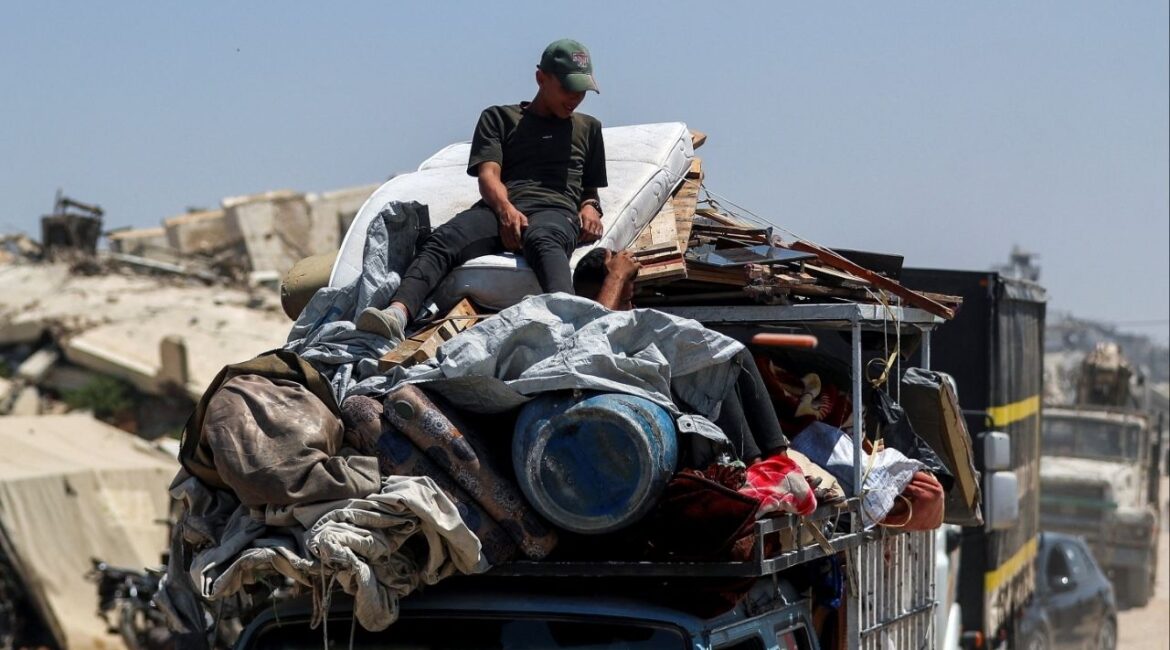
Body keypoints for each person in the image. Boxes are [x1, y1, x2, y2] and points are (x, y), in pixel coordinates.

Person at [357, 38, 608, 341]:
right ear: (541, 78)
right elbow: (488, 175)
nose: (576, 98)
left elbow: (589, 188)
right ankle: (397, 314)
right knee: (444, 238)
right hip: (500, 206)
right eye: (568, 88)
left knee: (546, 241)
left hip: (555, 212)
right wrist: (505, 211)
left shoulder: (589, 128)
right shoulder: (499, 118)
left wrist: (590, 207)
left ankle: (575, 329)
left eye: (582, 90)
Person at [572, 248, 790, 464]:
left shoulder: (630, 327)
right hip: (646, 417)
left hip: (671, 404)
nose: (631, 309)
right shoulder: (574, 330)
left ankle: (779, 462)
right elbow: (596, 336)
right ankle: (756, 466)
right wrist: (616, 276)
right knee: (707, 371)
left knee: (730, 354)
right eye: (623, 300)